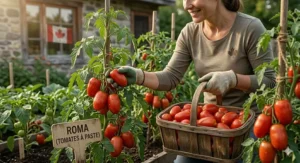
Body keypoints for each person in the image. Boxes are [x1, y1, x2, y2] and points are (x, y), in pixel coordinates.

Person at [108, 0, 276, 162]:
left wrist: (233, 79)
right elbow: (171, 76)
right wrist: (139, 76)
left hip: (246, 125)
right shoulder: (190, 32)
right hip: (207, 122)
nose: (187, 5)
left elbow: (270, 81)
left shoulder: (250, 28)